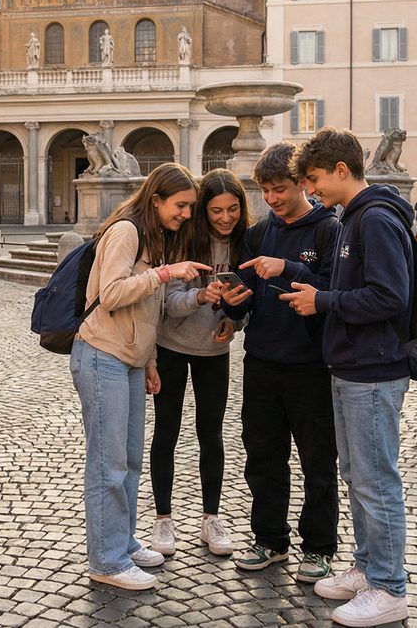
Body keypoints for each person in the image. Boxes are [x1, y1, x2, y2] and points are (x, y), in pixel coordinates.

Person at [280, 127, 412, 627]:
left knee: (376, 480)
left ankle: (389, 587)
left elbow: (388, 297)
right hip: (353, 364)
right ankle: (367, 568)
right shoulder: (353, 218)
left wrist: (323, 301)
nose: (311, 190)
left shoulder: (374, 219)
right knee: (357, 476)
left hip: (373, 368)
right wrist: (308, 281)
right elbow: (347, 284)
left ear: (341, 170)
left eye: (314, 180)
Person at [71, 163, 210, 591]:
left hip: (130, 359)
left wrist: (149, 361)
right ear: (156, 200)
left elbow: (150, 310)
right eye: (181, 205)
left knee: (129, 462)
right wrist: (164, 274)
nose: (187, 214)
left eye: (190, 207)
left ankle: (124, 542)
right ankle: (107, 561)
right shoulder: (126, 231)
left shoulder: (154, 237)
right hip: (101, 354)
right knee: (107, 464)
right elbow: (110, 294)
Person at [221, 143, 342, 584]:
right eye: (265, 191)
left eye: (279, 189)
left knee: (318, 461)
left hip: (312, 365)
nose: (271, 199)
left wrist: (290, 266)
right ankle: (269, 540)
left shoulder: (329, 229)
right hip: (262, 362)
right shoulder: (258, 233)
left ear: (303, 183)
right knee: (263, 457)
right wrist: (231, 306)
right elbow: (248, 293)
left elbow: (335, 290)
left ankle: (320, 547)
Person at [149, 169, 251, 560]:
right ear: (202, 211)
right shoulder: (182, 242)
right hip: (172, 346)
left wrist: (234, 319)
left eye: (232, 209)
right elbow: (168, 307)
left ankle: (212, 517)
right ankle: (163, 518)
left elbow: (247, 303)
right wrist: (199, 296)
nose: (225, 218)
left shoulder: (245, 243)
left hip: (214, 351)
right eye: (215, 211)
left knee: (212, 434)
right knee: (167, 432)